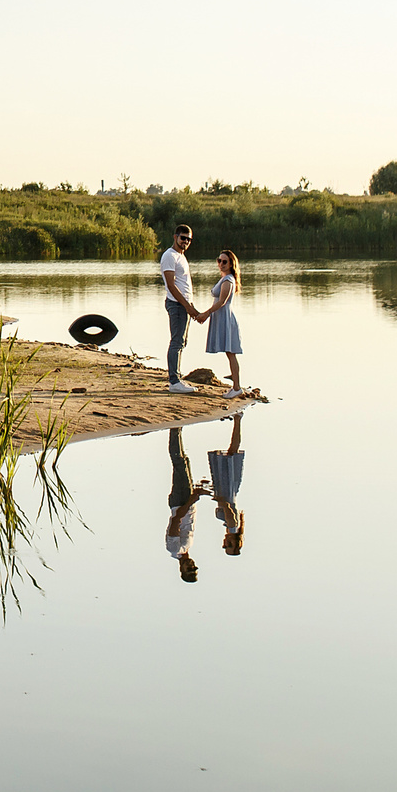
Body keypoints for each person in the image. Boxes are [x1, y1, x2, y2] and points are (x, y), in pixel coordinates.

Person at [157, 223, 203, 392]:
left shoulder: (181, 256)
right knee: (177, 341)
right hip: (176, 304)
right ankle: (174, 382)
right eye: (183, 238)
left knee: (182, 341)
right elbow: (171, 285)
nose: (186, 241)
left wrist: (191, 306)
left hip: (184, 304)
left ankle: (176, 378)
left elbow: (184, 285)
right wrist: (186, 306)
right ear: (175, 237)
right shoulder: (170, 256)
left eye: (189, 239)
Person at [165, 425, 205, 581]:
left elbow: (176, 520)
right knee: (185, 462)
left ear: (182, 569)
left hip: (181, 503)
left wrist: (190, 501)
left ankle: (174, 430)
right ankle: (177, 431)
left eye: (189, 569)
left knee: (179, 463)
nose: (192, 565)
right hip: (186, 503)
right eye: (194, 568)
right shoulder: (186, 548)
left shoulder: (175, 548)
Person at [204, 250, 248, 395]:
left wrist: (206, 313)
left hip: (225, 318)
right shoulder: (224, 278)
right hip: (221, 318)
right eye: (219, 260)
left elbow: (222, 302)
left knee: (231, 352)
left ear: (231, 264)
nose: (221, 264)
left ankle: (236, 387)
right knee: (229, 353)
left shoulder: (228, 280)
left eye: (224, 262)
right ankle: (235, 379)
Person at [207, 412, 248, 556]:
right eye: (229, 545)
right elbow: (229, 509)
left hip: (225, 490)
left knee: (231, 452)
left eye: (225, 546)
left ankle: (237, 421)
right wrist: (221, 501)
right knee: (232, 453)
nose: (225, 543)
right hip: (227, 491)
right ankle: (237, 420)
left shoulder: (231, 526)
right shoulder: (232, 526)